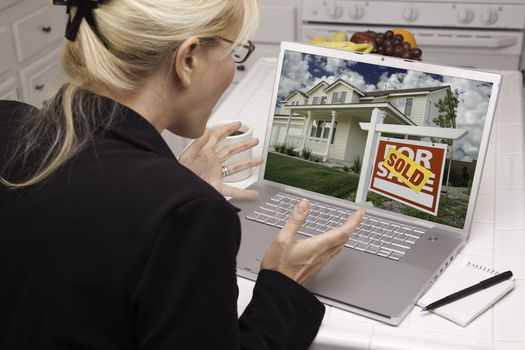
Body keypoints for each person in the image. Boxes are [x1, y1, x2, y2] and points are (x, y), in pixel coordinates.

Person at [0, 0, 364, 349]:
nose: (232, 69)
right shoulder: (188, 216)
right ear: (187, 59)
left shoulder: (8, 122)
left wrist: (171, 181)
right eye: (234, 53)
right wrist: (284, 285)